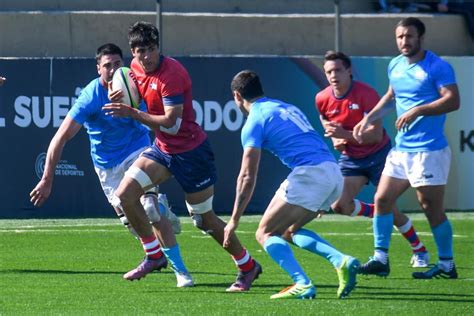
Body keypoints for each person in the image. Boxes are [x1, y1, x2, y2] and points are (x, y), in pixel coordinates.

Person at [102, 21, 262, 292]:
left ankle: (247, 266)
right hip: (163, 150)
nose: (147, 56)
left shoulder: (172, 73)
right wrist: (119, 94)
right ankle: (154, 255)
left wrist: (132, 112)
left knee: (204, 220)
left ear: (158, 47)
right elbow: (135, 94)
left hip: (191, 153)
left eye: (152, 49)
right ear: (133, 51)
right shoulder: (135, 70)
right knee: (125, 196)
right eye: (141, 51)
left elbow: (171, 124)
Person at [29, 43, 193, 287]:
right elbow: (60, 137)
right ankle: (155, 250)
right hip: (106, 166)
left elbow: (158, 123)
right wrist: (47, 179)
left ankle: (181, 272)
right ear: (98, 69)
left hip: (138, 151)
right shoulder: (91, 96)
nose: (113, 70)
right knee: (134, 225)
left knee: (151, 210)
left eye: (118, 64)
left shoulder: (136, 85)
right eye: (107, 65)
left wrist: (133, 106)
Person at [224, 70, 360, 300]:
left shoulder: (254, 121)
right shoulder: (285, 106)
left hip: (310, 173)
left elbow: (247, 176)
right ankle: (341, 260)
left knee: (264, 233)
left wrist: (234, 220)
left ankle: (302, 283)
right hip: (333, 172)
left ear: (237, 96)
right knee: (289, 231)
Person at [354, 17, 460, 279]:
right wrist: (369, 117)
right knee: (382, 199)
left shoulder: (437, 67)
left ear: (421, 38)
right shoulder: (396, 64)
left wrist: (417, 111)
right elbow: (392, 96)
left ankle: (447, 265)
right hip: (402, 150)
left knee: (430, 207)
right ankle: (380, 258)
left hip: (429, 151)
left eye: (409, 36)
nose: (404, 41)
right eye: (400, 36)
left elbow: (453, 100)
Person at [315, 50, 430, 269]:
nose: (333, 75)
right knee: (339, 205)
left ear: (349, 71)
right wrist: (335, 140)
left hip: (379, 155)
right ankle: (381, 212)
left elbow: (375, 136)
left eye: (338, 70)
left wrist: (345, 136)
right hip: (352, 158)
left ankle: (419, 250)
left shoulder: (366, 94)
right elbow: (327, 123)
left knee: (386, 205)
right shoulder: (322, 98)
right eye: (328, 71)